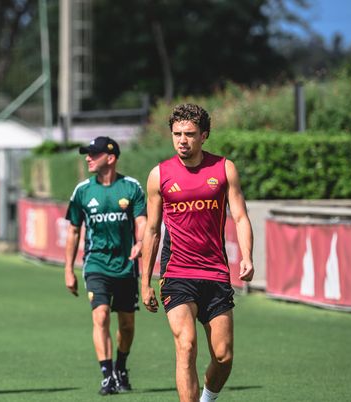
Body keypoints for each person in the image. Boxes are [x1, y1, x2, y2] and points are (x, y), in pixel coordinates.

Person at [139, 103, 254, 402]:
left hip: (215, 272)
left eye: (189, 134)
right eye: (177, 133)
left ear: (204, 135)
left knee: (224, 356)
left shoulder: (224, 169)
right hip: (177, 273)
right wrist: (145, 282)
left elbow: (240, 216)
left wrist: (247, 256)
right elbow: (151, 230)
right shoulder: (159, 175)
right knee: (186, 345)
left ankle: (207, 398)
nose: (182, 140)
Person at [64, 136, 147, 396]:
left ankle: (121, 367)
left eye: (93, 154)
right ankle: (106, 375)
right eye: (87, 154)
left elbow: (142, 222)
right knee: (100, 316)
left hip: (126, 266)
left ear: (110, 158)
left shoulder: (131, 188)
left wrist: (141, 242)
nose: (88, 157)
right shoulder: (82, 191)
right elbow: (74, 231)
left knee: (127, 325)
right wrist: (68, 270)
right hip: (95, 264)